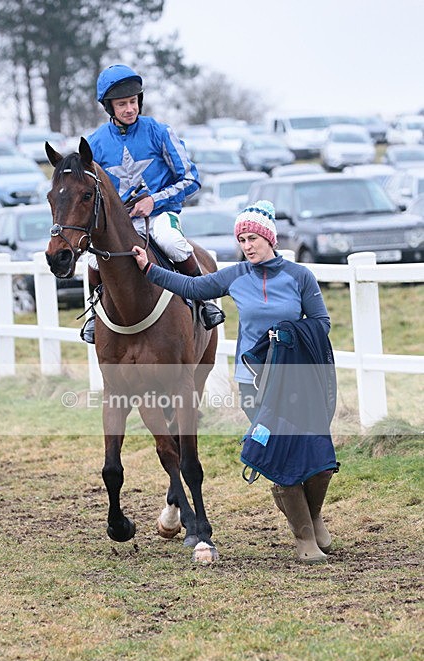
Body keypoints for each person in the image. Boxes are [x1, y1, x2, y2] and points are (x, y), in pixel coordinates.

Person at [132, 199, 338, 565]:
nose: (247, 245)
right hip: (254, 383)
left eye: (253, 238)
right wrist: (150, 270)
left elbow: (321, 323)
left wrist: (286, 333)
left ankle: (314, 516)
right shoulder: (236, 276)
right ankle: (304, 536)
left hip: (298, 380)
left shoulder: (299, 277)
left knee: (319, 458)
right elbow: (192, 288)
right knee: (280, 453)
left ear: (269, 238)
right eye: (241, 239)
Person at [80, 63, 225, 343]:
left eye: (133, 102)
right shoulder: (95, 143)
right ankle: (94, 313)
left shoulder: (159, 132)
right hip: (120, 222)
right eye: (122, 104)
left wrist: (153, 200)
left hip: (160, 214)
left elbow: (191, 179)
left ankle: (203, 301)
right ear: (109, 108)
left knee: (171, 240)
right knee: (94, 260)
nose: (129, 109)